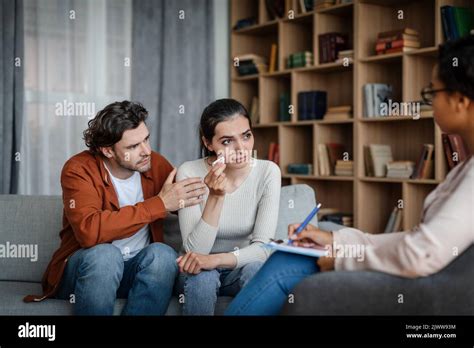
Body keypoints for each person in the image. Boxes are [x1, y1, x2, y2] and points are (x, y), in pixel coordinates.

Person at [225, 35, 474, 316]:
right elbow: (417, 239)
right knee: (296, 252)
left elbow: (420, 254)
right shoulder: (466, 167)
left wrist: (343, 258)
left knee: (289, 263)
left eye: (433, 93)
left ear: (461, 101)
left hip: (418, 290)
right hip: (417, 277)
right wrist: (337, 242)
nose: (428, 101)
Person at [24, 101, 207, 315]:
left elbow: (191, 200)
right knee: (105, 255)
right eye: (133, 146)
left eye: (146, 139)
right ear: (107, 150)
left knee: (163, 255)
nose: (146, 151)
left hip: (133, 271)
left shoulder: (154, 163)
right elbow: (89, 233)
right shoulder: (78, 169)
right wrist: (159, 204)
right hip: (85, 272)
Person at [174, 98, 281, 315]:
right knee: (202, 277)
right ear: (208, 143)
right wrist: (216, 196)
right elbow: (195, 252)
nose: (241, 148)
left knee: (257, 270)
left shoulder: (268, 172)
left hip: (237, 267)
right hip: (196, 272)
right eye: (226, 141)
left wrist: (215, 260)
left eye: (246, 136)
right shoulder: (188, 172)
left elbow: (264, 248)